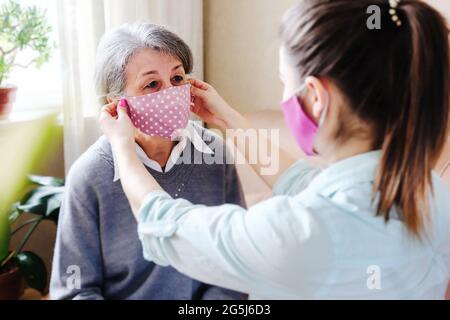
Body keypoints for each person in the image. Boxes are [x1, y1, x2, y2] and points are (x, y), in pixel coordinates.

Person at [100, 0, 450, 299]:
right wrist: (227, 118)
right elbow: (303, 182)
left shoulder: (302, 231)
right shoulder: (431, 193)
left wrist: (122, 149)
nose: (283, 100)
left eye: (286, 84)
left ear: (315, 97)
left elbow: (168, 225)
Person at [50, 23, 245, 300]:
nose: (170, 92)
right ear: (116, 102)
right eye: (152, 84)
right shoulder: (90, 174)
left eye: (177, 79)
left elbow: (234, 262)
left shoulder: (214, 150)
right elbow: (75, 291)